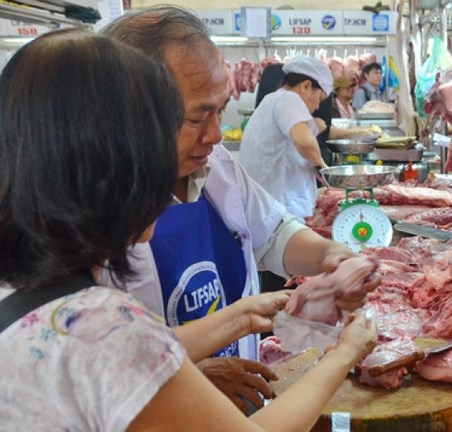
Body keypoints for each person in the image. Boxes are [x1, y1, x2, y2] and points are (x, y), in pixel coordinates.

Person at [0, 30, 378, 431]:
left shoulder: (47, 309)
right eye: (189, 120)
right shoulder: (107, 325)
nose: (214, 136)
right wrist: (345, 353)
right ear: (111, 164)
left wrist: (244, 316)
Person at [101, 5, 380, 413]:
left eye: (219, 110)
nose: (215, 134)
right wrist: (193, 372)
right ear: (135, 113)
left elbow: (276, 232)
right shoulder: (89, 215)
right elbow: (108, 364)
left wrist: (328, 257)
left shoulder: (217, 168)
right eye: (199, 117)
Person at [239, 55, 332, 222]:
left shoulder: (273, 99)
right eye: (320, 98)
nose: (318, 106)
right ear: (306, 86)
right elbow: (305, 142)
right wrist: (323, 168)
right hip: (279, 215)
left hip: (268, 211)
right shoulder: (289, 99)